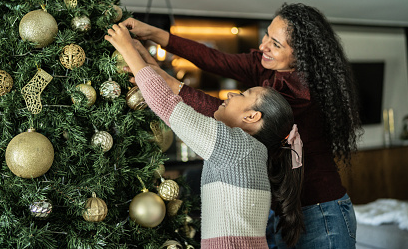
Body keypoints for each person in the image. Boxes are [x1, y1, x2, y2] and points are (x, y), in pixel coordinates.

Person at [121, 2, 363, 249]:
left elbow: (226, 113)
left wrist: (163, 79)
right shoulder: (268, 66)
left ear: (302, 55)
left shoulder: (299, 94)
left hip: (318, 211)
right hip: (278, 211)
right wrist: (153, 34)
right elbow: (216, 60)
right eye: (267, 34)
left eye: (276, 44)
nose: (263, 46)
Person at [105, 23, 305, 248]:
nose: (230, 94)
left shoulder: (238, 147)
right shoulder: (252, 152)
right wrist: (142, 59)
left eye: (242, 94)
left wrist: (127, 49)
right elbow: (178, 98)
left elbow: (167, 104)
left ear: (251, 117)